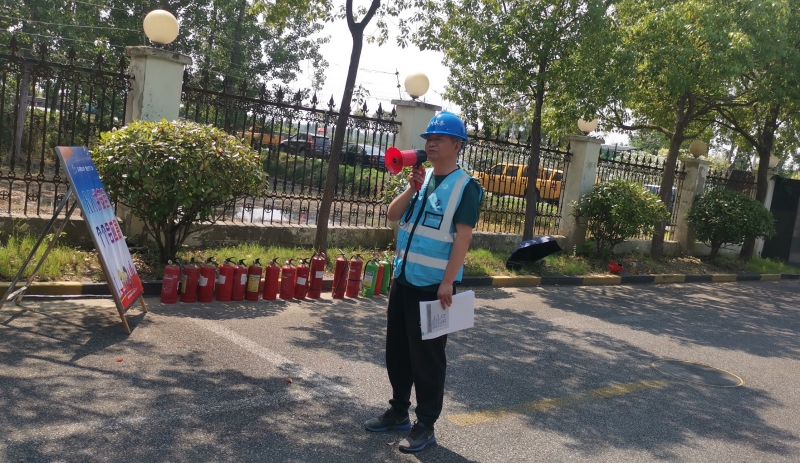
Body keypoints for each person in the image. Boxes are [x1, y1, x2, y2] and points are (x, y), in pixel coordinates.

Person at [364, 111, 483, 453]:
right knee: (398, 351)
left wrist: (448, 282)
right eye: (429, 139)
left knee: (427, 359)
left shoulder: (466, 187)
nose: (431, 144)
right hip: (404, 280)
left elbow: (463, 239)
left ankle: (426, 425)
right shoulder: (422, 177)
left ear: (457, 145)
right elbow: (393, 214)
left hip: (433, 288)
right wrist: (410, 188)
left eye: (439, 139)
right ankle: (398, 411)